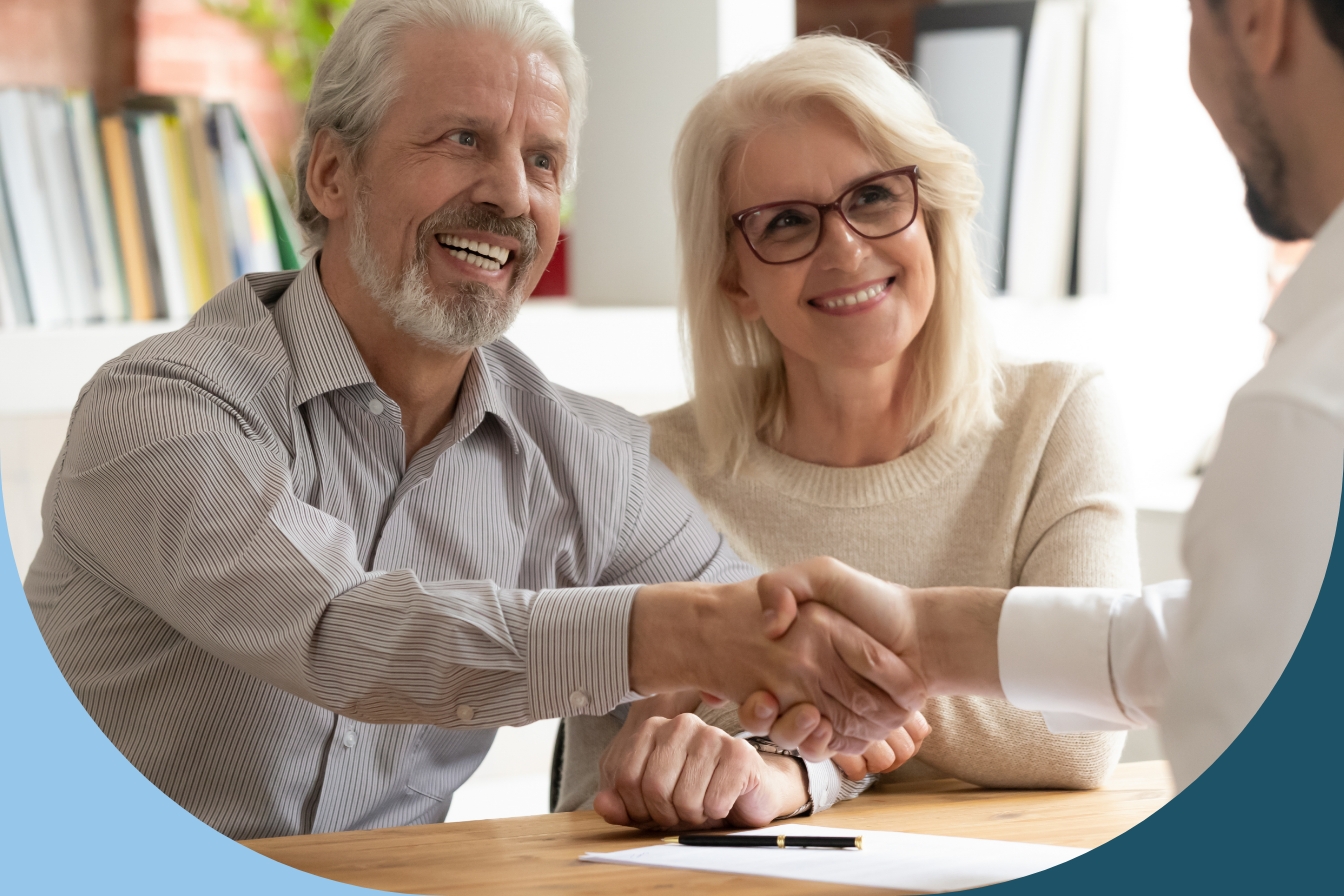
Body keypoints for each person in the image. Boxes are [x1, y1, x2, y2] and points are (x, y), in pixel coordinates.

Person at [22, 0, 920, 840]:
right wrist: (676, 636)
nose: (510, 196)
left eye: (543, 162)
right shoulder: (162, 408)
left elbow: (782, 672)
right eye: (463, 139)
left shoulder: (587, 460)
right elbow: (341, 633)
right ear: (333, 173)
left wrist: (775, 764)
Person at [744, 0, 1344, 794]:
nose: (844, 248)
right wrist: (922, 637)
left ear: (1262, 21)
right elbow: (1199, 641)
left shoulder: (1303, 412)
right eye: (787, 221)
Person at [558, 34, 1140, 830]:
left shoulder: (1058, 417)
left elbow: (1079, 731)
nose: (845, 249)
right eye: (788, 222)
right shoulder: (640, 470)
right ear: (734, 277)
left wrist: (796, 740)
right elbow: (598, 789)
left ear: (931, 211)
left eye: (873, 197)